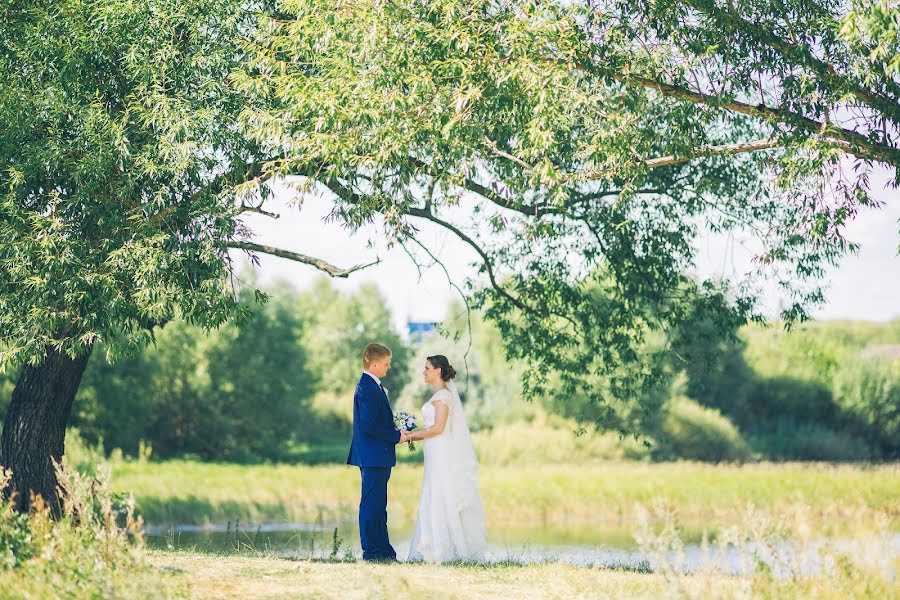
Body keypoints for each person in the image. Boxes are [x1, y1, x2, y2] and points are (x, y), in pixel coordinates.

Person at [406, 355, 487, 562]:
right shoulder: (439, 395)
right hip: (433, 452)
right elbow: (431, 427)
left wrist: (411, 435)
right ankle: (431, 548)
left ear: (437, 371)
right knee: (433, 492)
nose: (423, 372)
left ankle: (446, 550)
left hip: (441, 452)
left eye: (426, 368)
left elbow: (439, 428)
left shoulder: (443, 397)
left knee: (441, 494)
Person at [346, 343, 410, 562]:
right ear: (373, 364)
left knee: (378, 506)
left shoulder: (374, 386)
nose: (388, 367)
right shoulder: (366, 387)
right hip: (373, 456)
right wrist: (395, 436)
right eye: (386, 364)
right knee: (371, 505)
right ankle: (372, 552)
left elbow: (376, 421)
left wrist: (395, 431)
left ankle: (383, 550)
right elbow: (369, 426)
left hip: (377, 456)